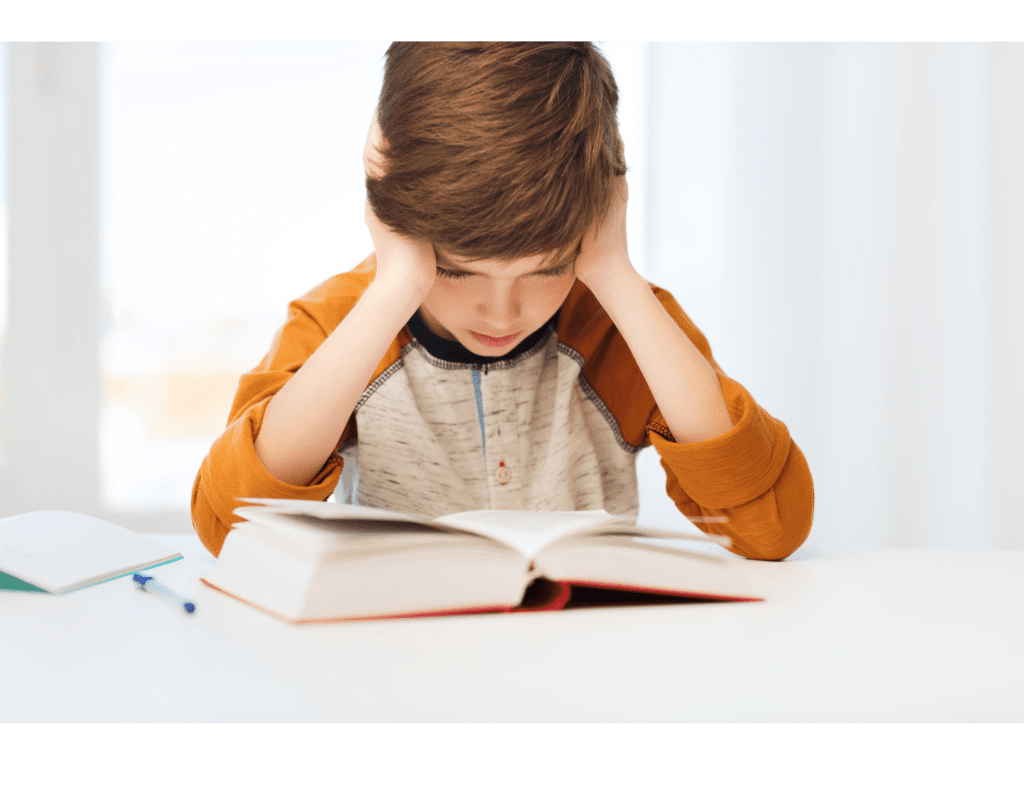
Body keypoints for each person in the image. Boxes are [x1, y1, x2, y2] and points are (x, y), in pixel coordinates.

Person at [191, 41, 814, 561]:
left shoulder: (620, 322)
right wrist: (396, 284)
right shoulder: (346, 322)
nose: (502, 314)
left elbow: (771, 529)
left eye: (545, 270)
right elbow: (232, 531)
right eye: (458, 273)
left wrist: (614, 272)